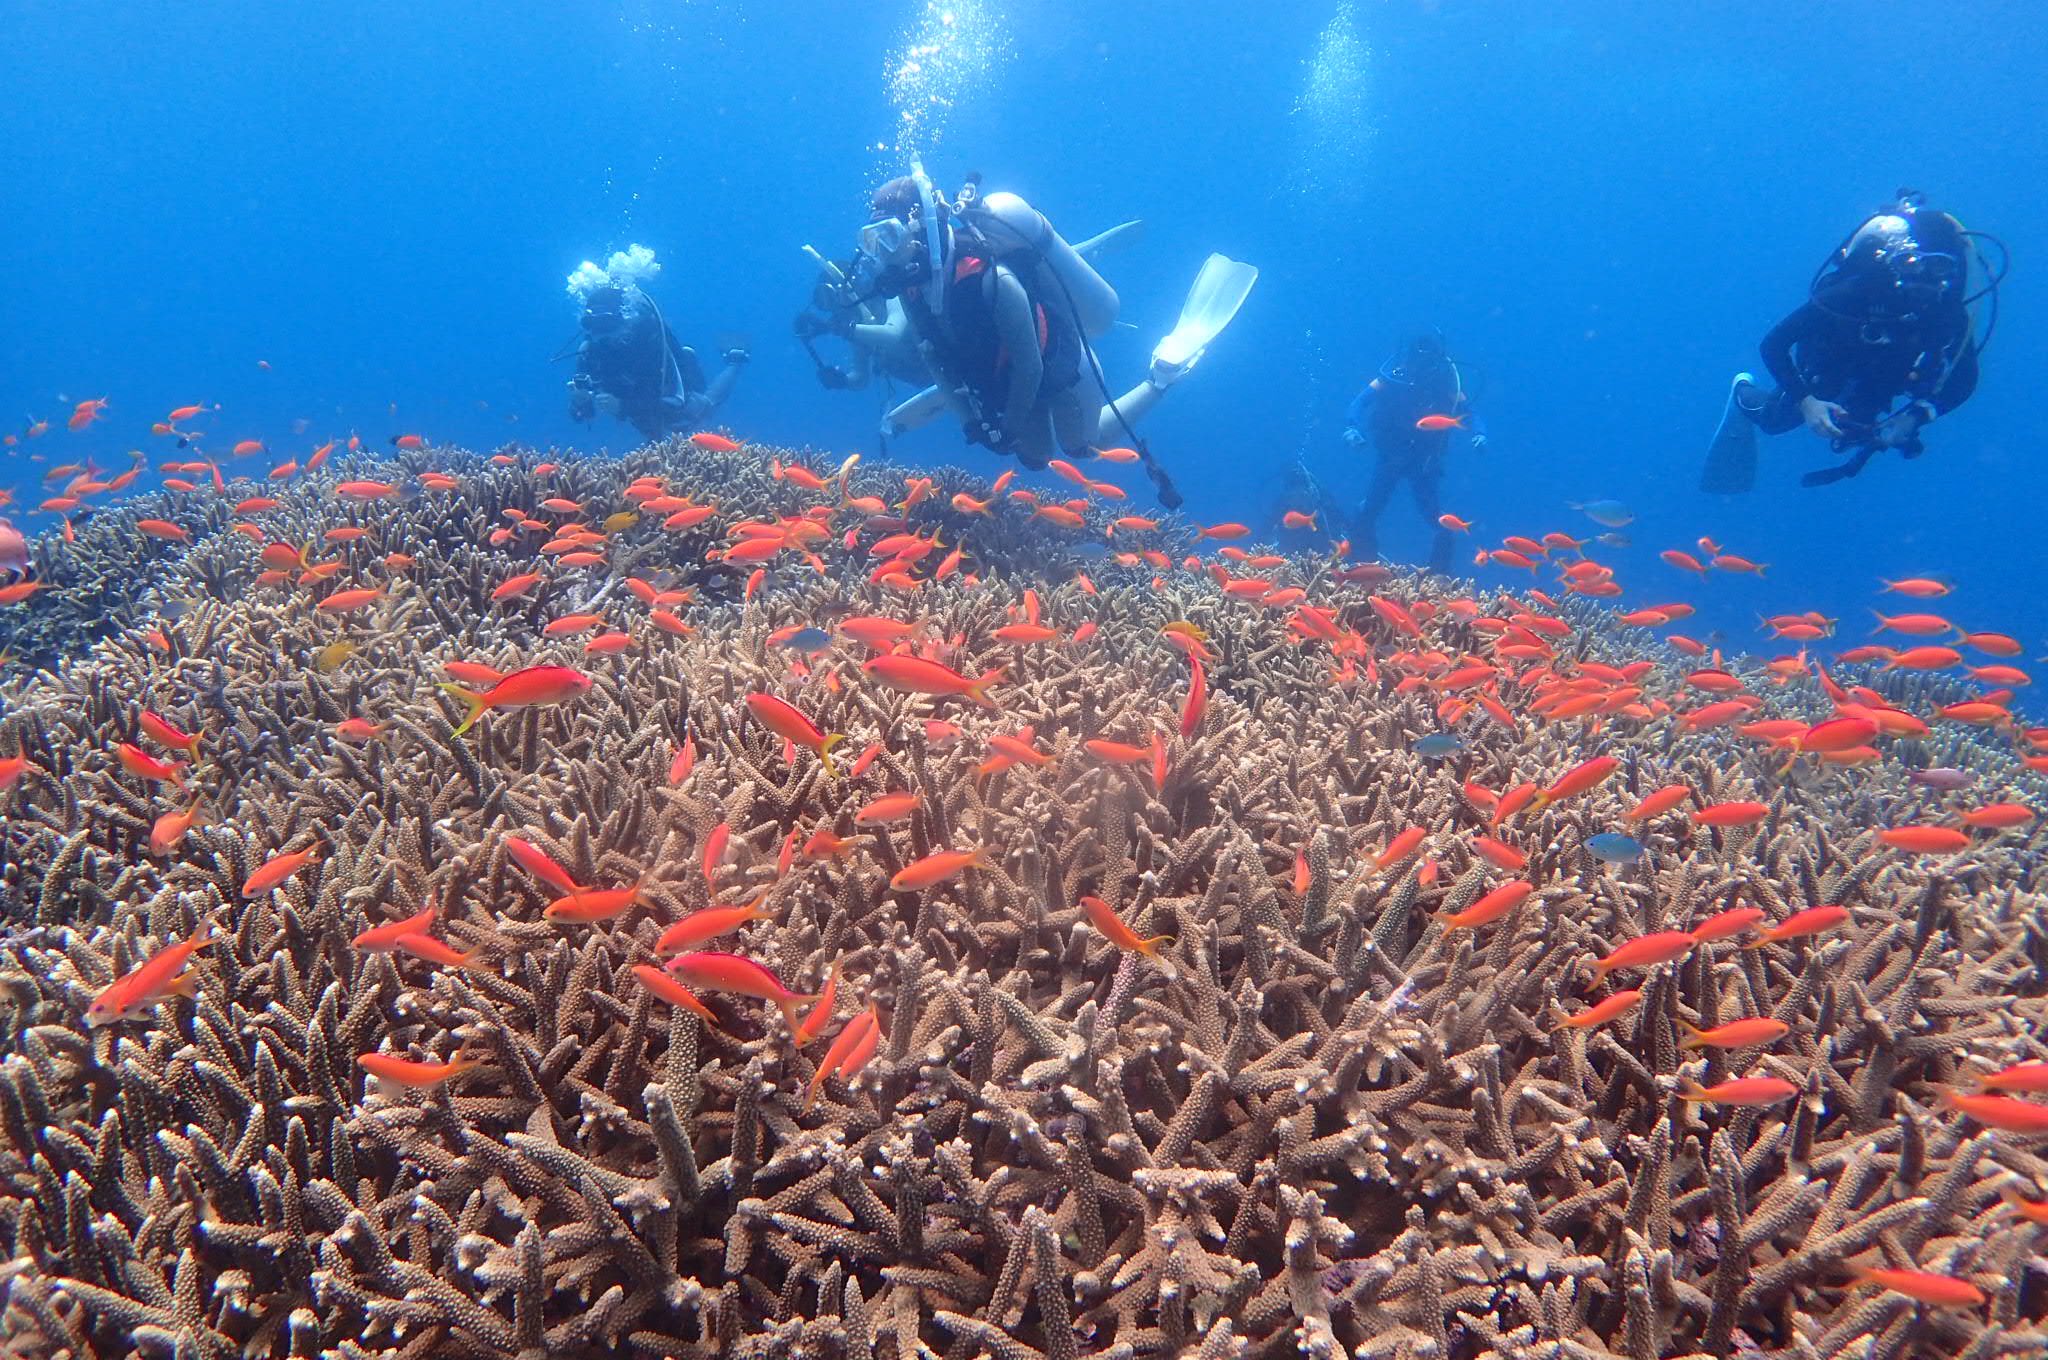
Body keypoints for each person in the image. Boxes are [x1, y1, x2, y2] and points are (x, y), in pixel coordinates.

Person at [848, 164, 1258, 508]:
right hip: (1005, 381)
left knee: (1084, 446)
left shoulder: (993, 279)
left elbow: (1029, 362)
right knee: (1034, 460)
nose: (882, 254)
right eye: (872, 243)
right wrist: (974, 421)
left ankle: (1161, 376)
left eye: (889, 237)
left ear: (919, 229)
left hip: (1061, 369)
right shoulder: (916, 293)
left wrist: (1006, 423)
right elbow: (936, 360)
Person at [1703, 191, 2003, 491]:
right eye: (1913, 265)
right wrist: (1808, 403)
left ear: (1950, 272)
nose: (1923, 282)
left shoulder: (1948, 313)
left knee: (1858, 427)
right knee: (1775, 421)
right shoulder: (1857, 292)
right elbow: (1774, 344)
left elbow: (1964, 381)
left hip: (1887, 375)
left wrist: (1914, 417)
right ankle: (1741, 391)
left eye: (1938, 268)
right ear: (1898, 263)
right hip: (1831, 358)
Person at [563, 246, 747, 442]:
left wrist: (622, 406)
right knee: (659, 443)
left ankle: (735, 361)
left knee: (705, 407)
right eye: (593, 326)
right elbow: (582, 417)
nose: (602, 336)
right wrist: (579, 403)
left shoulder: (649, 340)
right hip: (641, 415)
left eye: (607, 326)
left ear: (625, 319)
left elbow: (677, 400)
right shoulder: (590, 352)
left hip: (679, 396)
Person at [1342, 329, 1483, 575]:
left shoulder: (1446, 383)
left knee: (1436, 517)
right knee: (1371, 509)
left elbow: (1471, 414)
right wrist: (1351, 428)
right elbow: (1359, 403)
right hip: (1392, 456)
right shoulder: (1394, 376)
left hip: (1424, 461)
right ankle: (1361, 571)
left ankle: (1438, 576)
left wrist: (1480, 433)